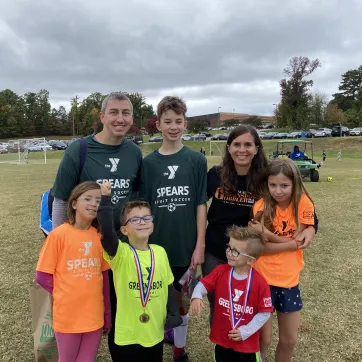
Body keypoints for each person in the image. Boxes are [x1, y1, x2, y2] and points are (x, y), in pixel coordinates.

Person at [50, 92, 143, 360]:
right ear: (102, 117)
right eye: (113, 112)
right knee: (84, 306)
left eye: (125, 113)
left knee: (119, 306)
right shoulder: (79, 150)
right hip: (86, 249)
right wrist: (61, 243)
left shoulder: (135, 153)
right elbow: (61, 200)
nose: (120, 118)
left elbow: (135, 199)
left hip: (121, 249)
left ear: (132, 119)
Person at [202, 125, 316, 326]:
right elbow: (197, 204)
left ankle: (245, 353)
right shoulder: (215, 174)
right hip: (216, 252)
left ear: (256, 148)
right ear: (228, 148)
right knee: (219, 307)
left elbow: (297, 202)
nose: (242, 149)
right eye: (236, 144)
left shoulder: (266, 177)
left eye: (248, 144)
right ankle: (221, 350)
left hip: (250, 256)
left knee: (245, 308)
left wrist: (312, 226)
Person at [140, 96, 208, 362]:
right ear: (158, 124)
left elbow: (200, 204)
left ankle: (179, 351)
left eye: (178, 121)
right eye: (167, 121)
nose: (173, 126)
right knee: (155, 301)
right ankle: (154, 347)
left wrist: (200, 245)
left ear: (185, 123)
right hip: (155, 247)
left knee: (180, 303)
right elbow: (143, 208)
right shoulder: (148, 164)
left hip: (185, 245)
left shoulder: (195, 160)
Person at [97, 182, 181, 362]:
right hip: (127, 335)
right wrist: (105, 200)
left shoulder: (160, 251)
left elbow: (168, 285)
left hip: (154, 332)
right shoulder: (121, 254)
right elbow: (107, 235)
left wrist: (173, 312)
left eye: (146, 218)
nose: (142, 222)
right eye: (135, 219)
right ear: (124, 230)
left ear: (152, 224)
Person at [36, 181, 111, 362]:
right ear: (74, 203)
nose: (94, 203)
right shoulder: (58, 235)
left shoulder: (99, 238)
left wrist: (107, 315)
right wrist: (65, 293)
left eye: (98, 200)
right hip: (67, 317)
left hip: (93, 316)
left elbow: (105, 280)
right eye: (88, 198)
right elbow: (42, 276)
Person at [249, 158, 315, 362]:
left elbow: (298, 241)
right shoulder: (260, 206)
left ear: (294, 184)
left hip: (289, 282)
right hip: (262, 280)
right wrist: (288, 244)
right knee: (264, 339)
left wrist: (268, 233)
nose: (278, 191)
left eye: (284, 185)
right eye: (273, 185)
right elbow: (259, 249)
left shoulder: (303, 203)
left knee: (289, 340)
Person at [190, 226, 273, 362]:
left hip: (247, 344)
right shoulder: (221, 271)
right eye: (229, 247)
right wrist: (197, 296)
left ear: (250, 260)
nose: (229, 253)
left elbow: (264, 313)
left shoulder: (260, 283)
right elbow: (203, 284)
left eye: (235, 251)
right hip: (222, 340)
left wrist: (246, 331)